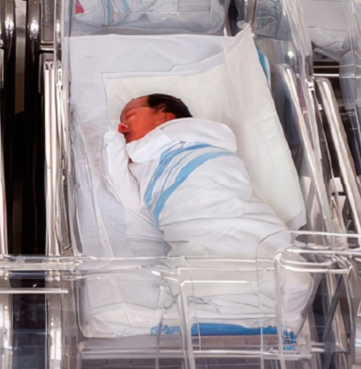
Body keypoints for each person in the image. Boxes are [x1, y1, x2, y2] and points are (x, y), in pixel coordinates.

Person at [102, 93, 292, 258]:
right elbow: (124, 193)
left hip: (236, 219)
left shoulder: (202, 138)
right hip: (192, 234)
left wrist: (118, 143)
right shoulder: (141, 163)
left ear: (164, 114)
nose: (122, 125)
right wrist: (114, 142)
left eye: (129, 115)